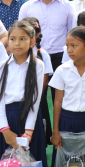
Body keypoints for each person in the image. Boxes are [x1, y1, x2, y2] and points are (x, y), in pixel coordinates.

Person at [0, 21, 49, 167]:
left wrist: (28, 133)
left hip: (28, 119)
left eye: (23, 39)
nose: (17, 43)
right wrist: (5, 130)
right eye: (13, 39)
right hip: (6, 120)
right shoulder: (2, 66)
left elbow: (35, 101)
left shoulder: (37, 65)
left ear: (32, 41)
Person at [49, 27, 85, 151]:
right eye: (67, 46)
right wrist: (55, 131)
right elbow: (58, 101)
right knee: (67, 160)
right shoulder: (62, 70)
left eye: (74, 45)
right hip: (66, 120)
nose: (69, 50)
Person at [18, 0, 77, 76]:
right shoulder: (26, 7)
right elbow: (21, 33)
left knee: (60, 87)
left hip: (61, 57)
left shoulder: (68, 6)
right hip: (35, 56)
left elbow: (72, 33)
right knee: (36, 87)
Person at [20, 16, 53, 147]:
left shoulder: (42, 54)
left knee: (38, 131)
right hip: (20, 99)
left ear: (37, 36)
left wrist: (34, 96)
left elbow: (44, 80)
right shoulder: (16, 53)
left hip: (38, 99)